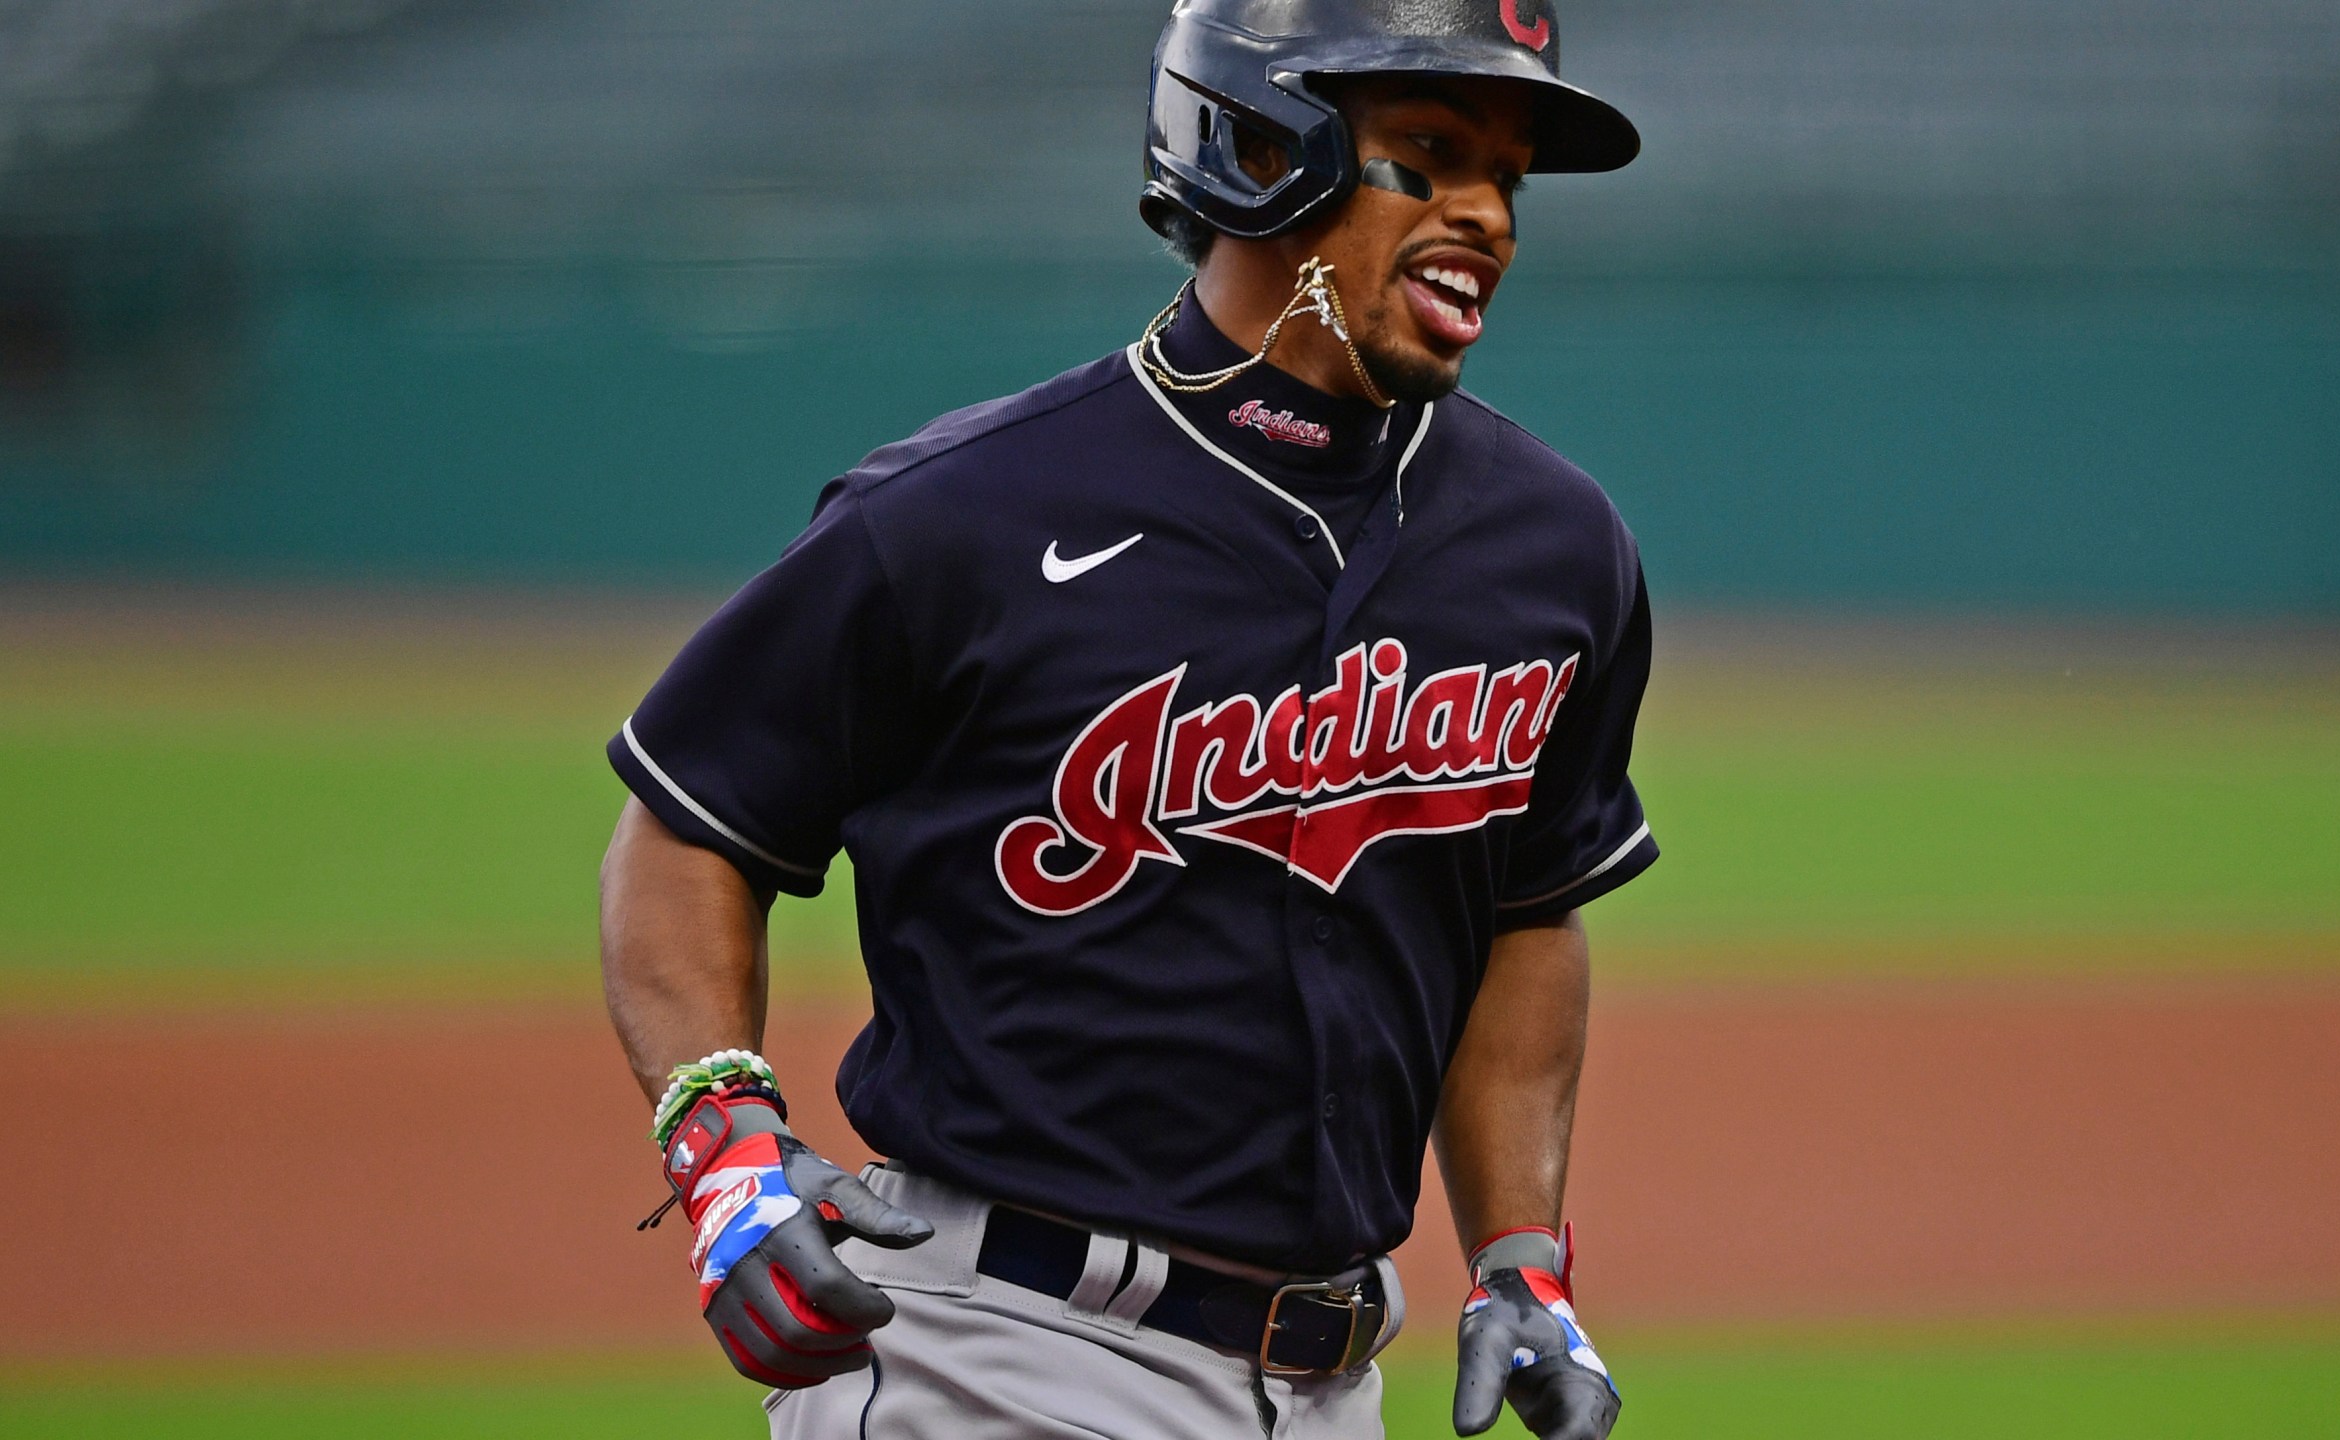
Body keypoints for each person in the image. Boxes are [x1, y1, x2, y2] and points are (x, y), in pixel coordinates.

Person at [598, 3, 1651, 1436]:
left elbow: (1527, 909)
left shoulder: (1555, 549)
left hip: (1338, 1381)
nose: (1487, 215)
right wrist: (724, 1142)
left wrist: (1520, 1258)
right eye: (1430, 153)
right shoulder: (964, 513)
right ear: (1266, 148)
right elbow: (688, 827)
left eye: (1506, 177)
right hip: (995, 1351)